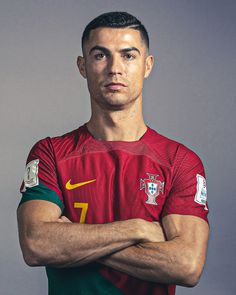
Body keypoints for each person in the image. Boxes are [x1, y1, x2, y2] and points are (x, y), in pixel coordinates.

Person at [17, 11, 209, 295]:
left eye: (128, 56)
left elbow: (186, 265)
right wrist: (139, 229)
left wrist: (73, 242)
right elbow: (36, 244)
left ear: (147, 65)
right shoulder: (51, 154)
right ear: (82, 66)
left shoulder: (180, 161)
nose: (114, 68)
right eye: (100, 55)